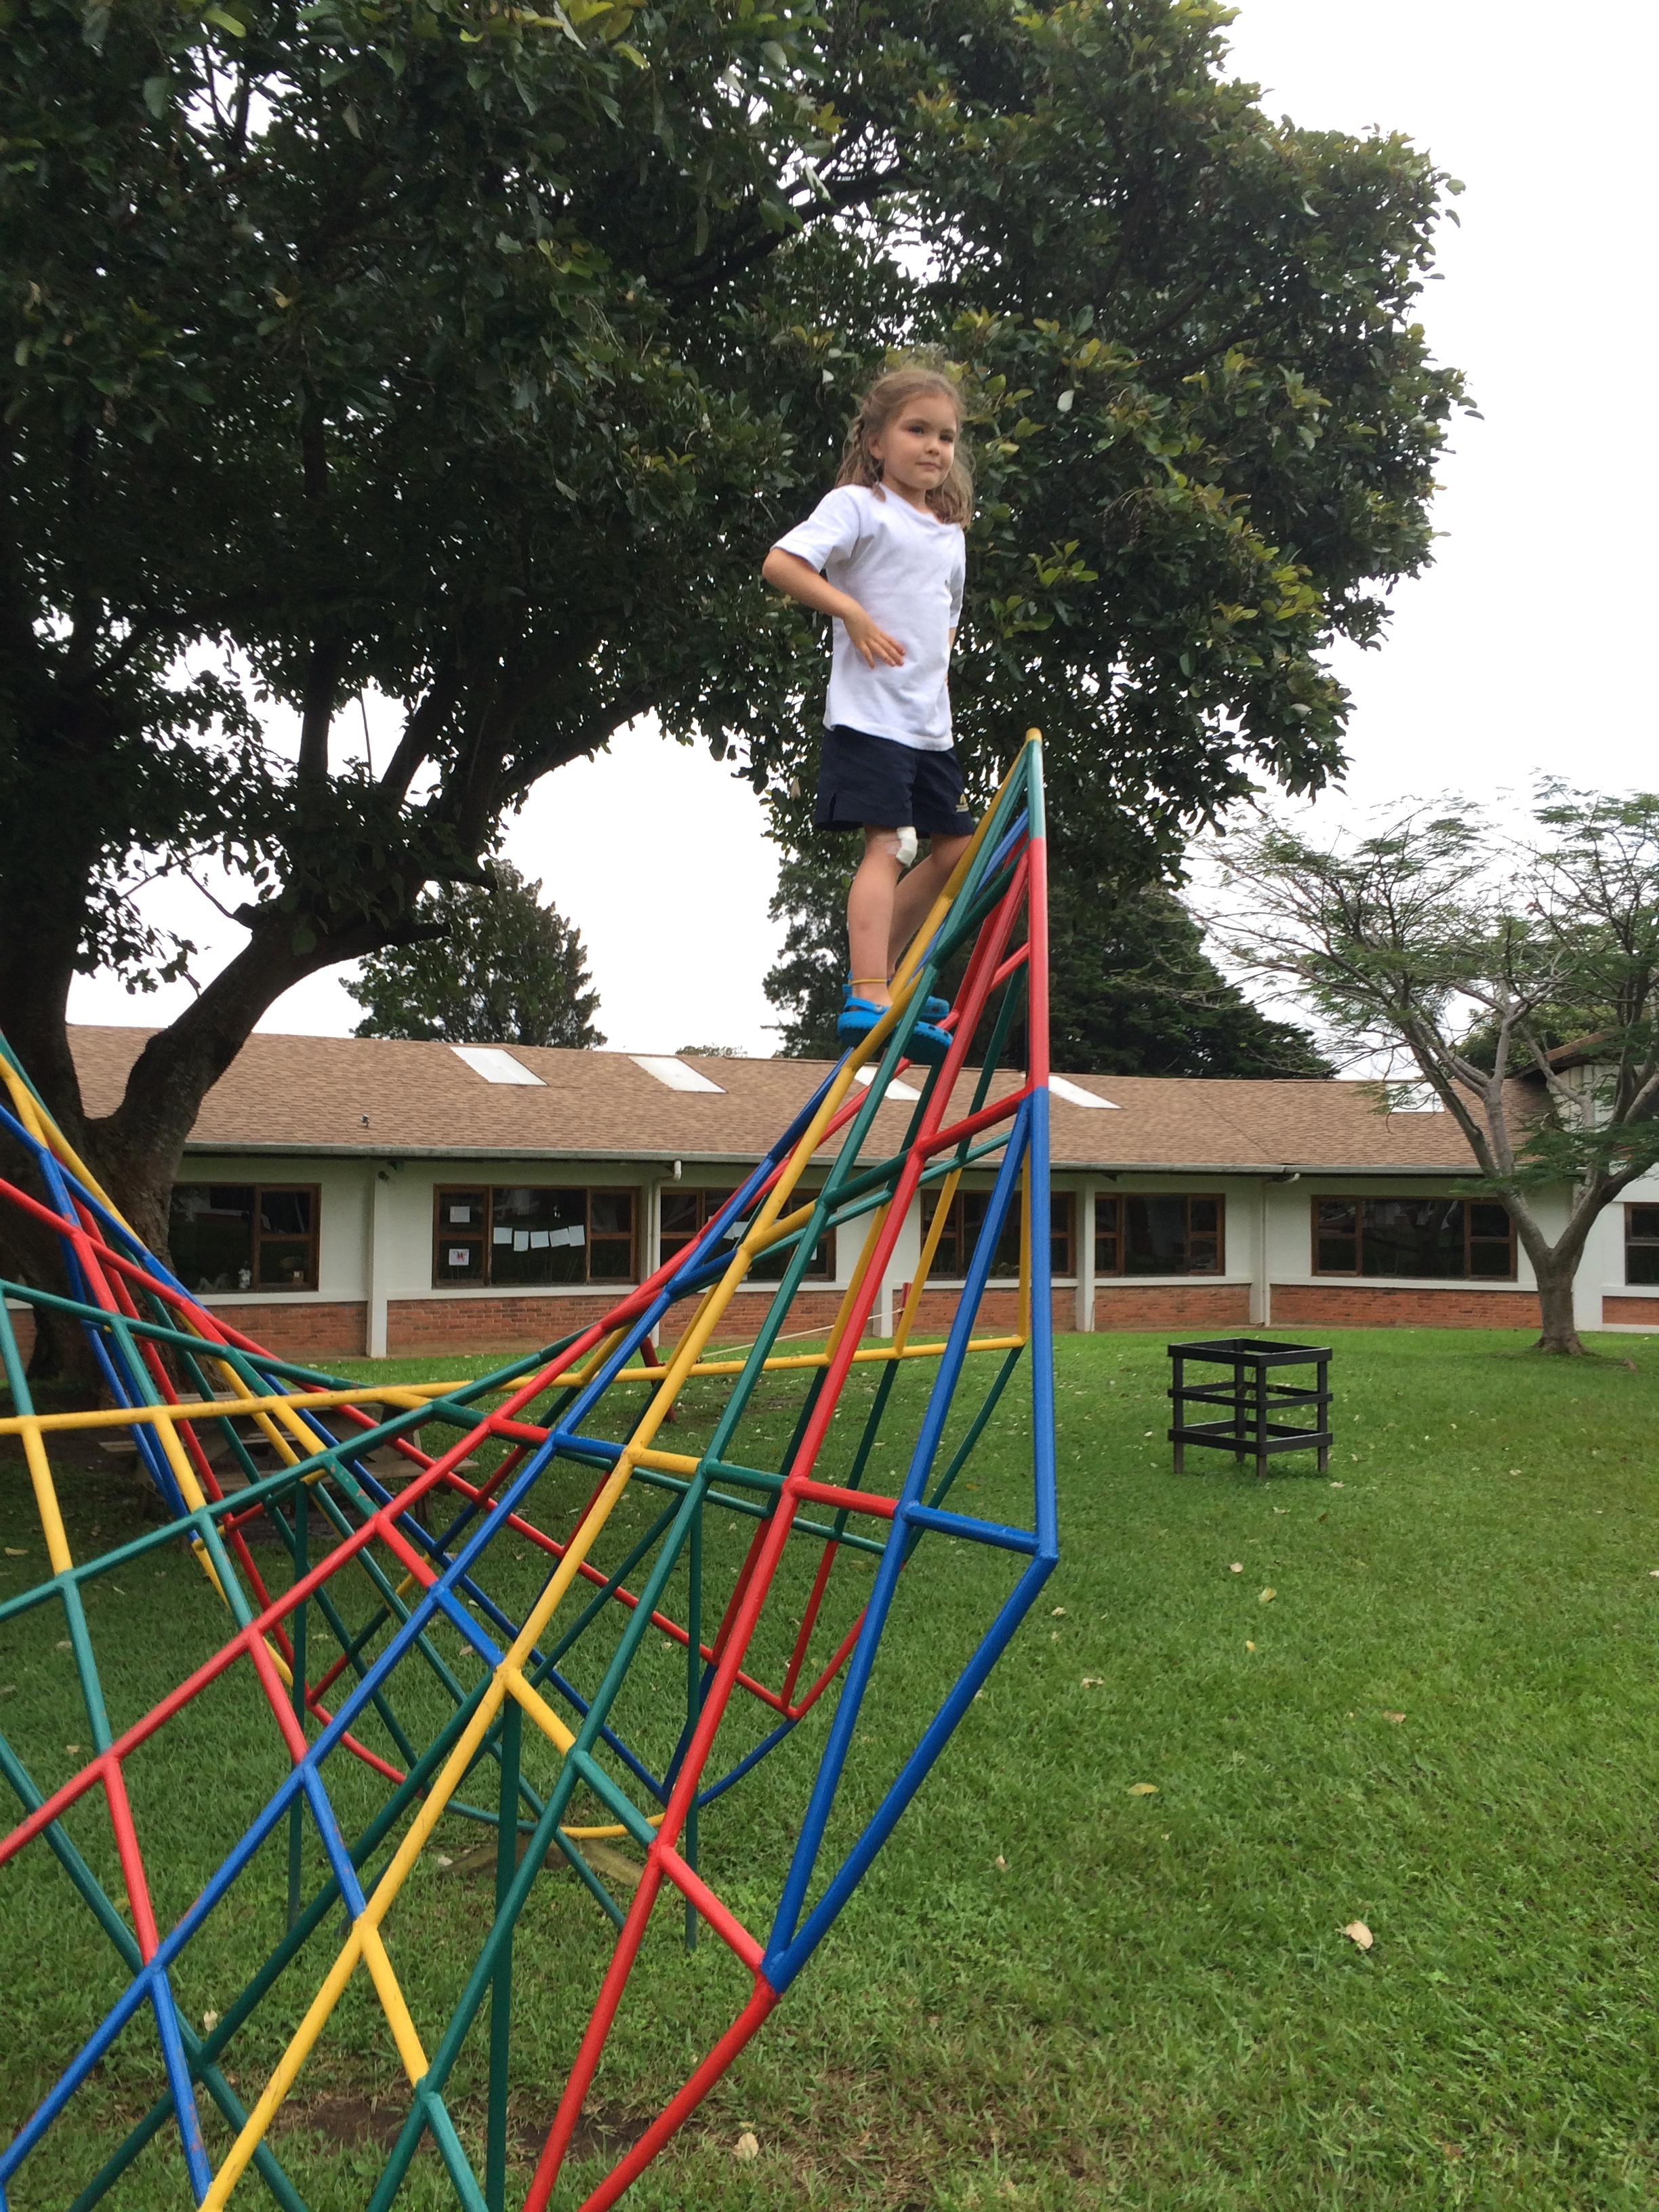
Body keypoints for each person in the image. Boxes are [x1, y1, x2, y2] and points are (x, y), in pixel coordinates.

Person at [762, 364, 975, 1062]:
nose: (934, 447)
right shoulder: (858, 506)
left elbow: (945, 624)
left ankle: (888, 973)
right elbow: (782, 565)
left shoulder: (950, 536)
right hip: (868, 719)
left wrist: (932, 677)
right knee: (886, 845)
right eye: (917, 430)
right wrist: (850, 611)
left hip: (928, 728)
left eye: (946, 436)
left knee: (956, 852)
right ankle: (867, 991)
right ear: (878, 441)